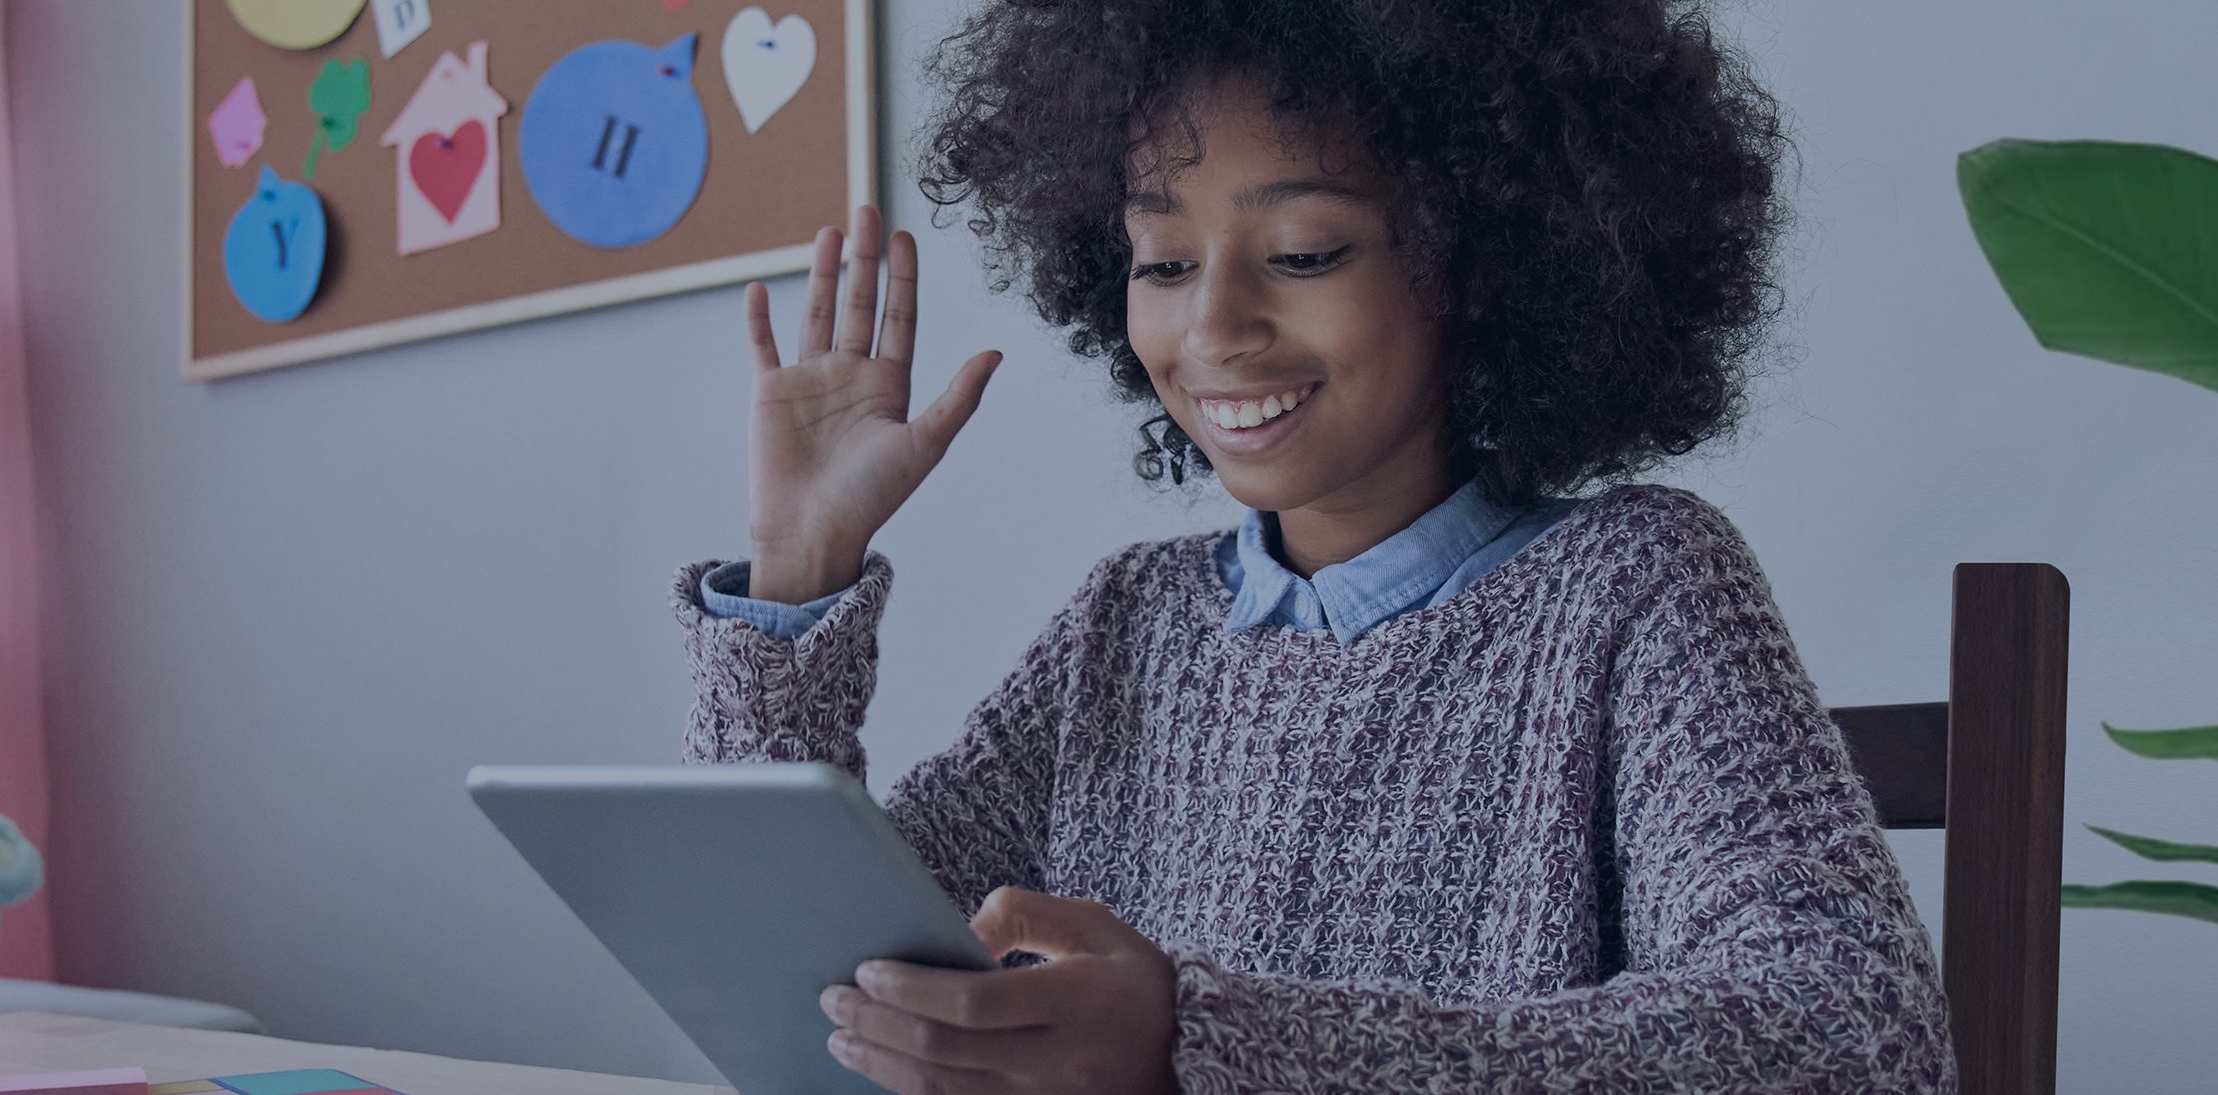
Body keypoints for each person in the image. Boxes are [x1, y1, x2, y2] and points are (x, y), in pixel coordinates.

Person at [676, 0, 1952, 1089]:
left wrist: (1203, 1044)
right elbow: (811, 967)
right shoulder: (1126, 624)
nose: (1216, 324)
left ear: (1479, 260)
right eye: (1164, 261)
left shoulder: (1635, 589)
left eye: (1302, 251)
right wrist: (800, 566)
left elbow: (1852, 1035)